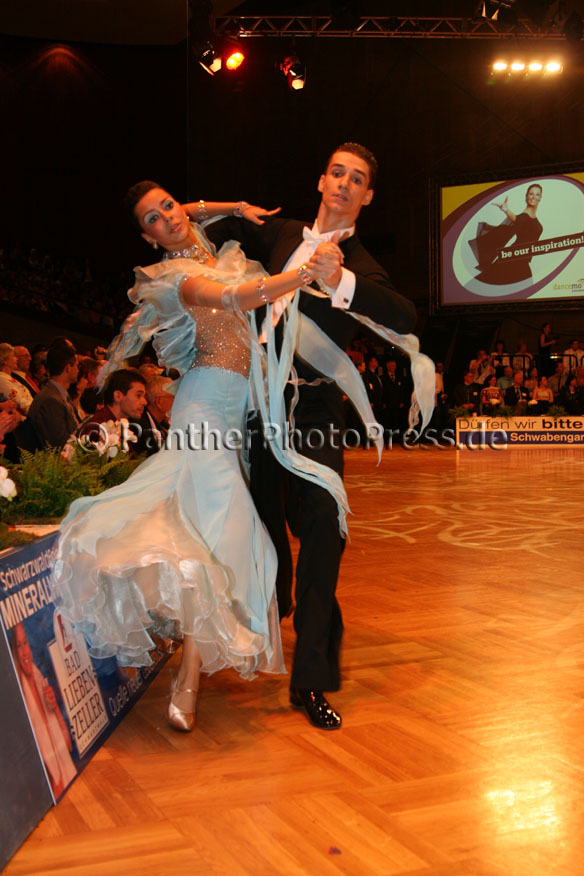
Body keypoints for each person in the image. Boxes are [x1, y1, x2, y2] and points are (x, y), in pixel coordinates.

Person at [53, 182, 328, 734]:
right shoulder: (175, 276)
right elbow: (236, 298)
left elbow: (195, 210)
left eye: (168, 206)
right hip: (204, 406)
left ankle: (182, 658)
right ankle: (188, 678)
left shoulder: (199, 235)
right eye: (152, 220)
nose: (168, 219)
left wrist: (234, 207)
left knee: (203, 532)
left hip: (232, 412)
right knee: (228, 531)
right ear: (147, 237)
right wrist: (303, 274)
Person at [201, 143, 424, 730]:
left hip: (316, 412)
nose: (345, 184)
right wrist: (228, 208)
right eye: (337, 173)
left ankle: (311, 679)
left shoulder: (362, 265)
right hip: (258, 407)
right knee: (267, 531)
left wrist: (340, 278)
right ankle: (296, 614)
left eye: (358, 179)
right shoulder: (283, 234)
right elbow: (206, 231)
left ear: (367, 196)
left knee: (324, 530)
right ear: (321, 180)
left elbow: (405, 316)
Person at [11, 622, 77, 799]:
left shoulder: (40, 679)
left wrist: (55, 710)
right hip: (48, 792)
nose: (24, 653)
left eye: (25, 643)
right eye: (18, 646)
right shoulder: (18, 698)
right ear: (13, 653)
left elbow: (68, 745)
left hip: (68, 782)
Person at [469, 184, 543, 285]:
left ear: (540, 197)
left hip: (520, 260)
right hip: (513, 259)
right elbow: (517, 219)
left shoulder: (531, 218)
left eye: (537, 194)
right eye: (531, 194)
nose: (534, 197)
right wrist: (506, 211)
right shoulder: (524, 216)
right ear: (526, 196)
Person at [27, 345, 79, 450]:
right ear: (68, 368)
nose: (78, 370)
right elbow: (60, 445)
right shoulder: (50, 401)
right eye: (77, 366)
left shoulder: (57, 394)